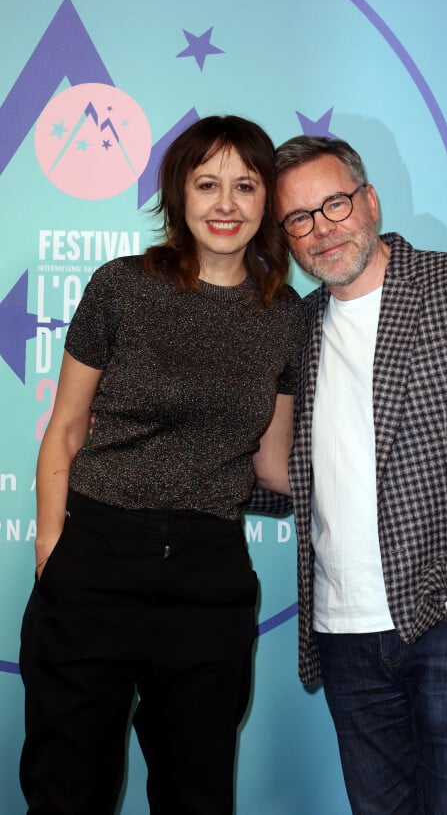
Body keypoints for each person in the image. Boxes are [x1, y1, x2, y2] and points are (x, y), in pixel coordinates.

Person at [251, 135, 447, 814]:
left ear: (370, 200)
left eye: (333, 204)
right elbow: (292, 473)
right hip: (343, 635)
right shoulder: (295, 328)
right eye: (298, 218)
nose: (321, 230)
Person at [19, 115, 304, 815]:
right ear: (178, 195)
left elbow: (275, 466)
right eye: (207, 184)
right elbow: (64, 429)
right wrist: (53, 550)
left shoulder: (286, 314)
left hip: (209, 576)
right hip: (95, 558)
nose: (226, 204)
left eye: (245, 184)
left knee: (196, 795)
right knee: (67, 791)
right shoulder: (122, 286)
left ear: (268, 198)